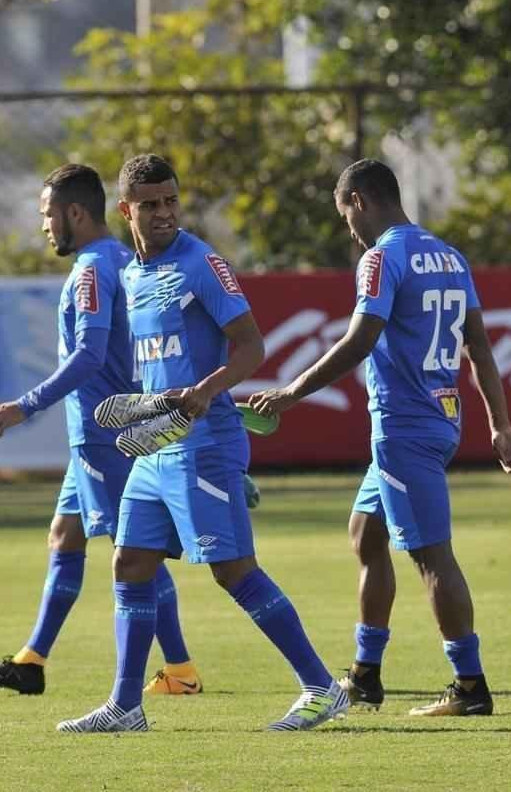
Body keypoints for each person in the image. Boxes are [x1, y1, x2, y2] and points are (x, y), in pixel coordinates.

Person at [56, 154, 349, 733]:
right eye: (150, 205)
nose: (164, 213)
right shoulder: (131, 275)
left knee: (233, 570)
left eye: (171, 201)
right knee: (130, 561)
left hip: (202, 441)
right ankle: (125, 706)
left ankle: (321, 687)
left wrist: (206, 389)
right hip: (154, 443)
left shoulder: (201, 265)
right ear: (125, 210)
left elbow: (250, 346)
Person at [248, 158, 511, 717]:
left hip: (405, 425)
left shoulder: (381, 259)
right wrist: (499, 422)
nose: (348, 228)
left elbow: (359, 341)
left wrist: (291, 392)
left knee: (431, 556)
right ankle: (366, 674)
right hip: (438, 418)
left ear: (360, 201)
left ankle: (470, 686)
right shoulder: (449, 255)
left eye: (344, 214)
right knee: (366, 534)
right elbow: (479, 346)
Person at [0, 163, 203, 697]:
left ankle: (182, 670)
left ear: (74, 213)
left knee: (134, 548)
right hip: (101, 430)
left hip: (102, 431)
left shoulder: (94, 269)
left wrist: (24, 406)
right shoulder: (122, 258)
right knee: (65, 535)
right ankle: (32, 660)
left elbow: (90, 356)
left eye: (48, 215)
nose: (45, 226)